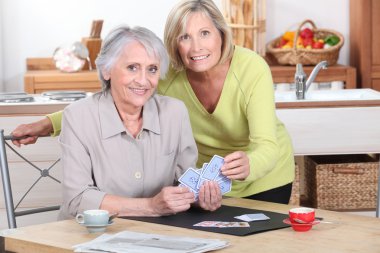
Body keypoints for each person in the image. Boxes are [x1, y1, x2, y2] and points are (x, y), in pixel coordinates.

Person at [12, 0, 294, 204]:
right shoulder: (165, 74)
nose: (196, 47)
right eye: (185, 37)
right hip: (204, 185)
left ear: (222, 33)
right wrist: (46, 124)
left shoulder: (251, 68)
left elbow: (266, 146)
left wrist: (250, 165)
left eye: (205, 33)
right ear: (174, 43)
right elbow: (109, 101)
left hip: (262, 177)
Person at [54, 25, 221, 219]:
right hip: (89, 234)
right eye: (132, 68)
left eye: (152, 69)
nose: (143, 81)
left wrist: (200, 199)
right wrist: (150, 206)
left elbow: (185, 185)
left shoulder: (174, 113)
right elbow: (77, 200)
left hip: (156, 235)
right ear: (106, 70)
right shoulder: (78, 117)